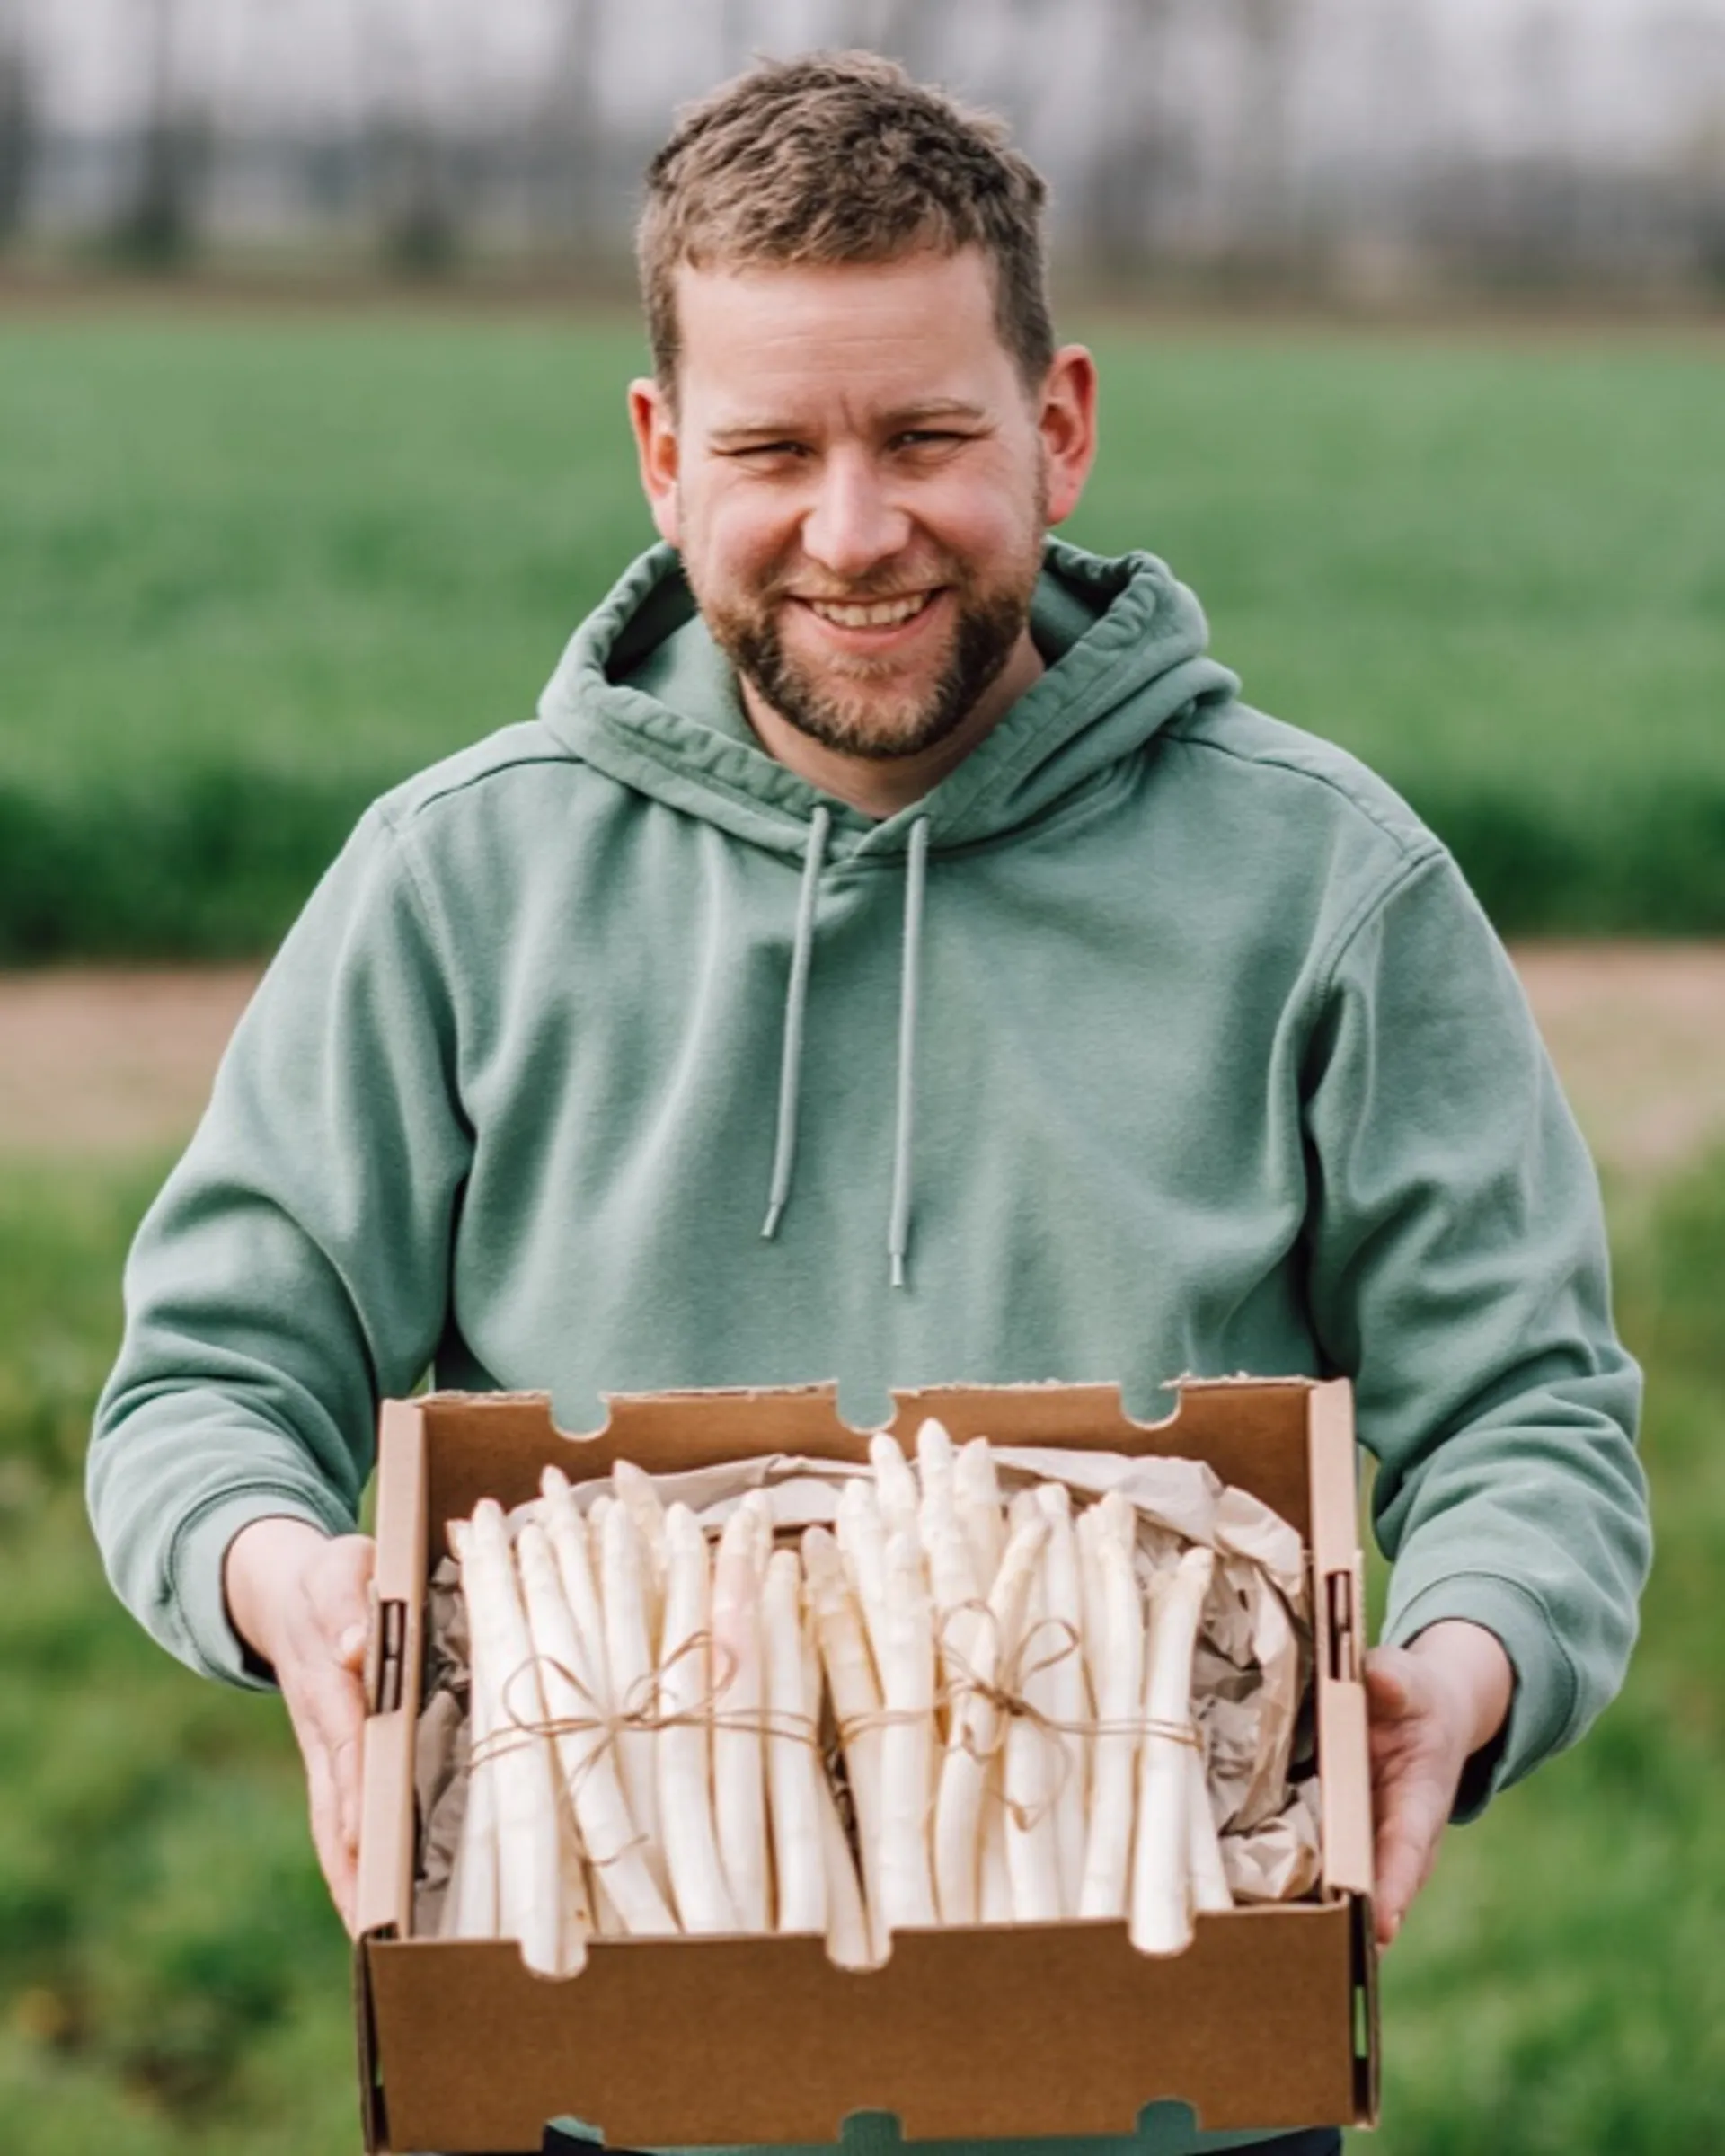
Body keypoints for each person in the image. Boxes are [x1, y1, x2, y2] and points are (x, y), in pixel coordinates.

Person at [88, 50, 1649, 2156]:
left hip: (1170, 2078)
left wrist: (1458, 1673)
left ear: (1059, 426)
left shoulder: (1326, 889)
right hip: (597, 2079)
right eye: (771, 448)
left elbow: (1528, 1418)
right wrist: (284, 1585)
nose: (855, 529)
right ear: (660, 456)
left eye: (928, 437)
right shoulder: (458, 886)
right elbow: (203, 1383)